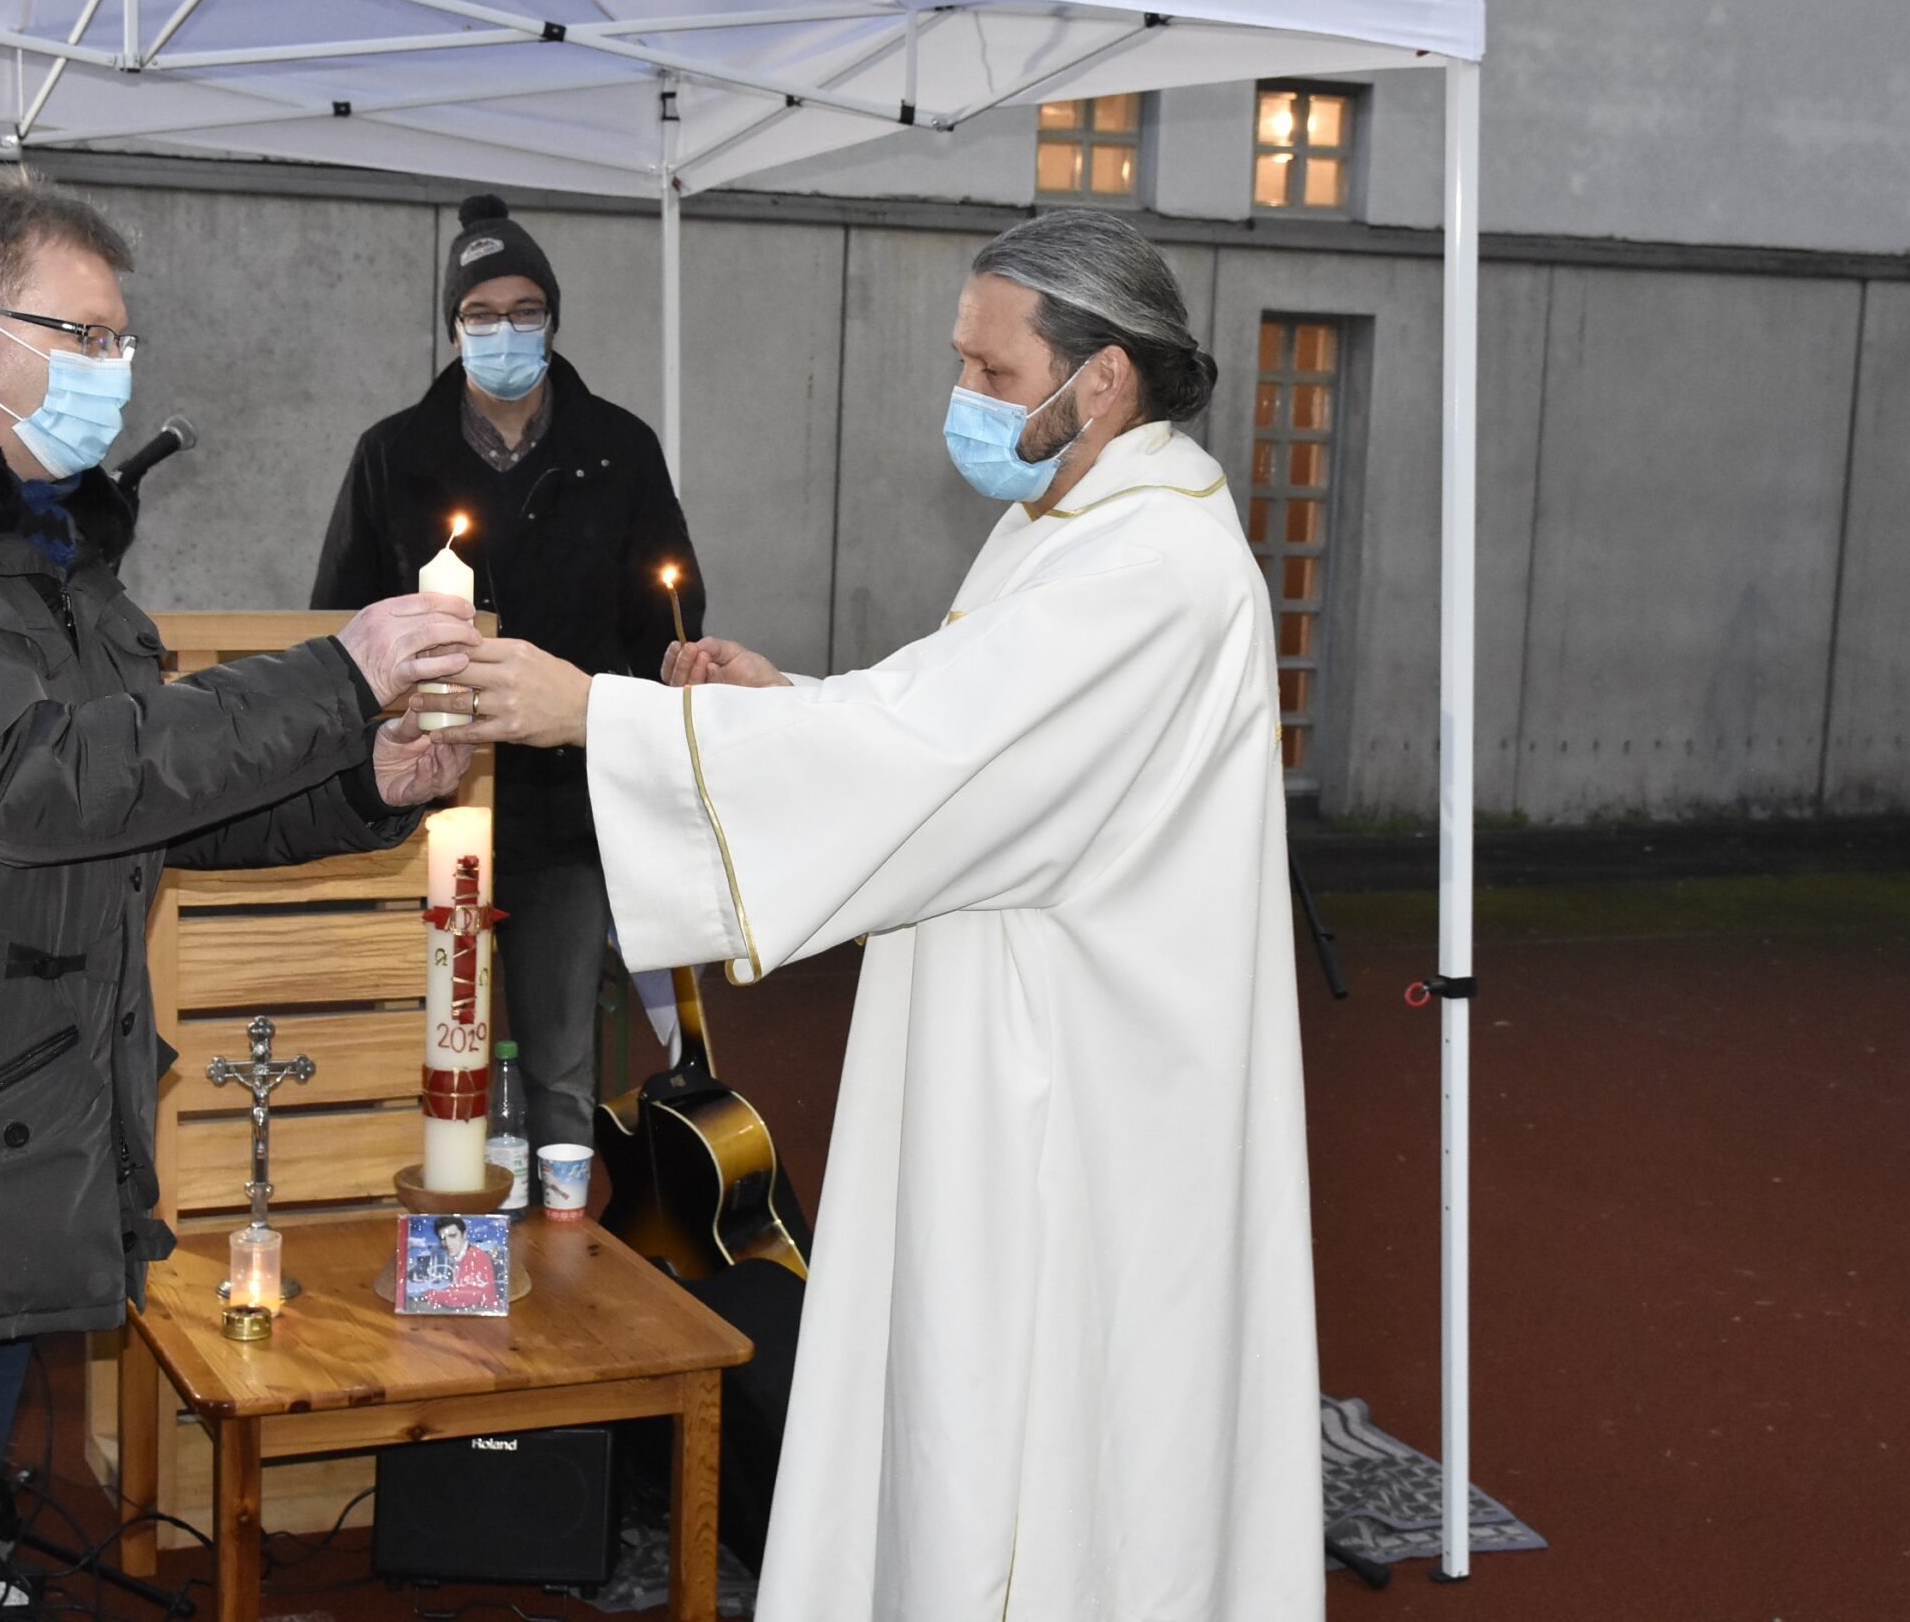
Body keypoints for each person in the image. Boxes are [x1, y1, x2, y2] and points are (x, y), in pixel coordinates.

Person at [421, 207, 1324, 1620]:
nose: (962, 399)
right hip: (1015, 1029)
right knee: (965, 1400)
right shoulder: (1078, 523)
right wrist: (793, 706)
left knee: (1042, 1428)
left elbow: (946, 757)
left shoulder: (1152, 563)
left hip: (1078, 1096)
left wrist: (593, 710)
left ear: (1103, 381)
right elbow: (945, 720)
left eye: (991, 371)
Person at [0, 170, 478, 1622]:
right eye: (84, 334)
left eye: (123, 340)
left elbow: (136, 815)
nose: (115, 373)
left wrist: (366, 776)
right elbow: (31, 778)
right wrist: (332, 672)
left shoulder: (23, 548)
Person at [311, 194, 702, 1156]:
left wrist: (670, 669)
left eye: (525, 309)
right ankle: (451, 1228)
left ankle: (562, 1256)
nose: (503, 331)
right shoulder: (393, 455)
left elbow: (664, 621)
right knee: (437, 1049)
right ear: (452, 328)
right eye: (480, 315)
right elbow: (339, 625)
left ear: (553, 317)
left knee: (563, 1060)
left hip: (567, 811)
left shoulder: (618, 450)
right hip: (429, 812)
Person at [420, 1214, 500, 1310]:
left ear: (464, 1235)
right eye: (443, 1238)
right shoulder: (462, 1255)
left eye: (452, 1236)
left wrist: (431, 1295)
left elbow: (464, 1297)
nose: (447, 1243)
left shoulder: (477, 1257)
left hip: (483, 1311)